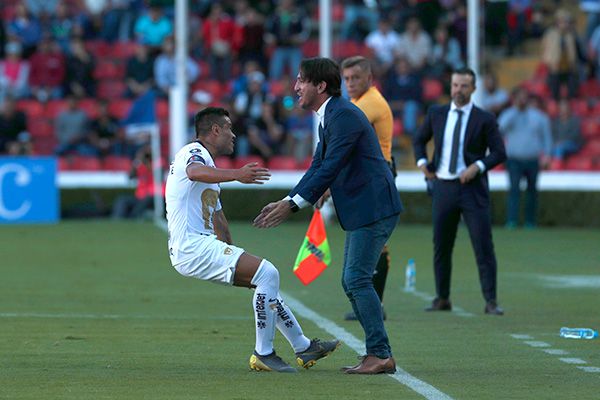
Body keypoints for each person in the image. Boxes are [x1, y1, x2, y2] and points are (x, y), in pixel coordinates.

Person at [254, 57, 402, 374]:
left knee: (355, 279)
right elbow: (320, 166)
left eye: (301, 81)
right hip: (366, 208)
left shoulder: (343, 115)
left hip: (374, 208)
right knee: (353, 280)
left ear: (320, 86)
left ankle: (380, 354)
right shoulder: (332, 114)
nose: (295, 87)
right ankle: (377, 353)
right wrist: (289, 199)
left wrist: (292, 206)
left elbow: (330, 166)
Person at [165, 107, 340, 373]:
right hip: (191, 246)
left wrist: (231, 250)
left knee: (264, 282)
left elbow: (219, 218)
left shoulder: (210, 168)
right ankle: (263, 353)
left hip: (197, 247)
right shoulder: (193, 152)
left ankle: (303, 346)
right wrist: (237, 174)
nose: (233, 135)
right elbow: (193, 172)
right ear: (215, 130)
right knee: (268, 273)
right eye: (229, 129)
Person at [413, 67, 506, 316]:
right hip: (443, 187)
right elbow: (419, 139)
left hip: (472, 189)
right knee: (441, 245)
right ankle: (442, 298)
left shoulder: (484, 118)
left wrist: (478, 166)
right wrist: (423, 164)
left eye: (464, 86)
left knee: (483, 244)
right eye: (455, 85)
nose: (458, 90)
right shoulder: (437, 113)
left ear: (473, 89)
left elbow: (499, 152)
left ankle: (491, 301)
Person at [340, 55, 396, 322]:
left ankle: (377, 303)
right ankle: (373, 303)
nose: (350, 83)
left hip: (377, 176)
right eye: (346, 79)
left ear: (369, 78)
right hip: (370, 175)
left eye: (356, 78)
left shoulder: (370, 102)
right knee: (373, 243)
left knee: (377, 244)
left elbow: (344, 137)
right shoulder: (358, 102)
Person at [498, 88, 552, 229]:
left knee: (532, 192)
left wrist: (547, 155)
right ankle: (512, 221)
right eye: (519, 97)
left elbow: (546, 138)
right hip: (514, 159)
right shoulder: (508, 114)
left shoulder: (539, 116)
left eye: (524, 97)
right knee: (514, 191)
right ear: (515, 99)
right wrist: (515, 110)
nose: (522, 100)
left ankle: (530, 222)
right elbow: (500, 128)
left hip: (532, 159)